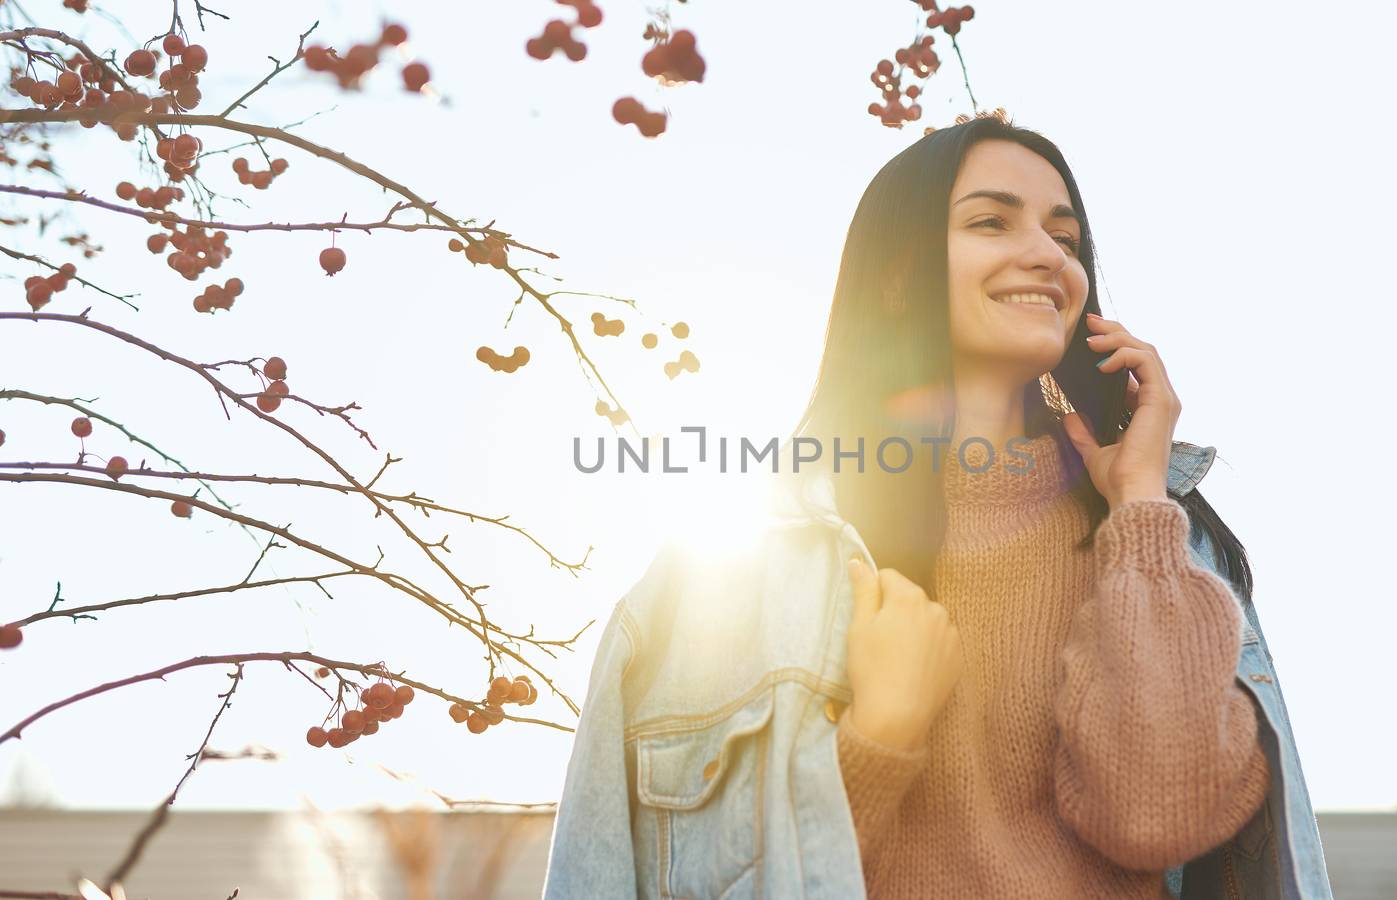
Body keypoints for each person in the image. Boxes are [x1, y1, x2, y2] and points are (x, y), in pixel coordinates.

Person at [542, 113, 1331, 899]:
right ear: (895, 275)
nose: (1046, 257)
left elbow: (1160, 817)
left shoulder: (1160, 544)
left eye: (1066, 238)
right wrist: (877, 742)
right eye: (991, 222)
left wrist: (1139, 506)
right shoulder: (732, 568)